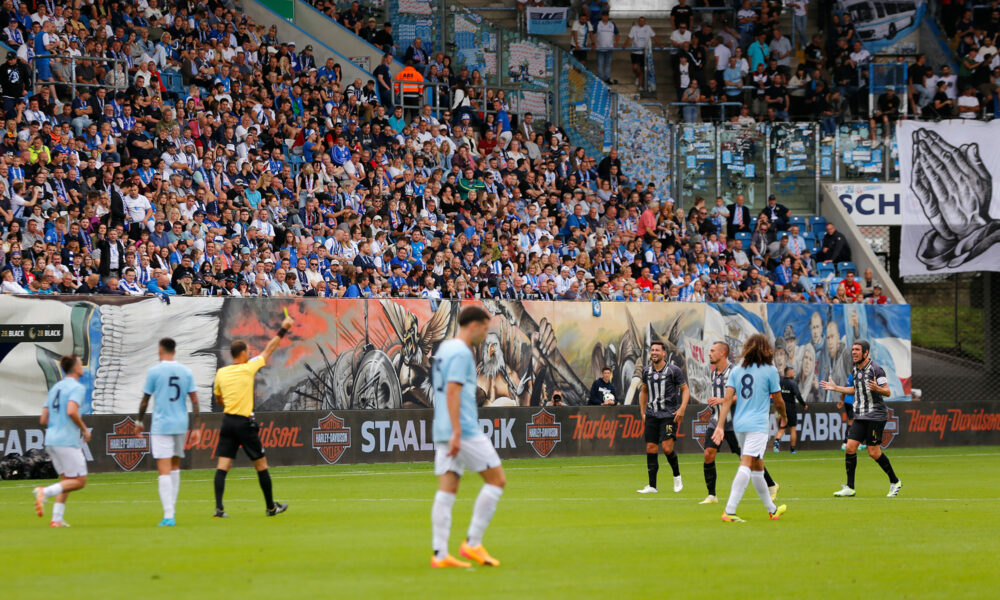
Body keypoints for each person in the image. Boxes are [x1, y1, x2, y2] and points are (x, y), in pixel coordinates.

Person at [430, 306, 505, 568]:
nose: (486, 335)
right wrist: (457, 432)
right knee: (497, 481)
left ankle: (440, 554)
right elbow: (452, 391)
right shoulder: (461, 352)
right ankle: (473, 543)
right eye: (485, 328)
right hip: (461, 428)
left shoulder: (445, 349)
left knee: (447, 490)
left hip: (442, 428)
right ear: (473, 325)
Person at [212, 313, 295, 518]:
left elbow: (219, 399)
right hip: (244, 423)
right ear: (241, 354)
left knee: (223, 466)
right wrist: (284, 328)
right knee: (261, 465)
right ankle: (270, 507)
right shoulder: (248, 368)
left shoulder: (222, 373)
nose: (250, 354)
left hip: (228, 421)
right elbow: (269, 349)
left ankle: (219, 509)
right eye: (248, 351)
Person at [713, 334, 787, 522]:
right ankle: (729, 511)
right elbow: (778, 401)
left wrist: (720, 425)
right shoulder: (770, 370)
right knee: (746, 464)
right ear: (766, 349)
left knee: (757, 467)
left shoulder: (737, 370)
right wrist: (784, 417)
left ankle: (772, 510)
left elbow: (727, 399)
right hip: (757, 425)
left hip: (740, 424)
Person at [821, 340, 902, 497]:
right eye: (853, 350)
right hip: (861, 415)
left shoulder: (876, 369)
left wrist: (879, 389)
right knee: (850, 447)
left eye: (857, 350)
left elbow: (887, 391)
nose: (854, 352)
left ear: (866, 353)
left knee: (873, 452)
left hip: (876, 416)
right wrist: (836, 388)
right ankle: (850, 488)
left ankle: (895, 481)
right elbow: (855, 389)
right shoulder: (855, 369)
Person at [135, 338, 201, 527]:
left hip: (162, 424)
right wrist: (196, 426)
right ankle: (171, 509)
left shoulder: (155, 371)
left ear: (160, 350)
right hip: (181, 423)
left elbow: (145, 401)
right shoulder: (186, 371)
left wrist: (139, 421)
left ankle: (169, 515)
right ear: (174, 350)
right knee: (174, 466)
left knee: (163, 469)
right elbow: (194, 400)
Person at [33, 355, 91, 527]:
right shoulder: (77, 388)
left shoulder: (55, 388)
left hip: (51, 439)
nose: (82, 367)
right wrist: (84, 429)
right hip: (66, 440)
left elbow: (43, 419)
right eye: (80, 364)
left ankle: (57, 519)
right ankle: (44, 491)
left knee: (67, 479)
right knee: (80, 481)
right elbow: (71, 411)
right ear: (74, 368)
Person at [637, 341, 689, 494]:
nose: (654, 352)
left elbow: (685, 389)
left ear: (664, 353)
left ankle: (677, 476)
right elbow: (644, 391)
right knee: (650, 447)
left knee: (667, 448)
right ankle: (652, 486)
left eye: (657, 350)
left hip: (668, 415)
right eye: (652, 350)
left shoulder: (674, 370)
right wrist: (642, 411)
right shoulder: (646, 371)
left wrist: (682, 408)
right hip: (652, 415)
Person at [775, 366, 807, 453]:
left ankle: (776, 443)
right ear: (788, 373)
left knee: (782, 428)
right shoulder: (793, 383)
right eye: (793, 372)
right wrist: (804, 404)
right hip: (790, 408)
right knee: (793, 428)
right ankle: (792, 449)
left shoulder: (780, 381)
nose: (794, 373)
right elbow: (798, 395)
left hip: (781, 408)